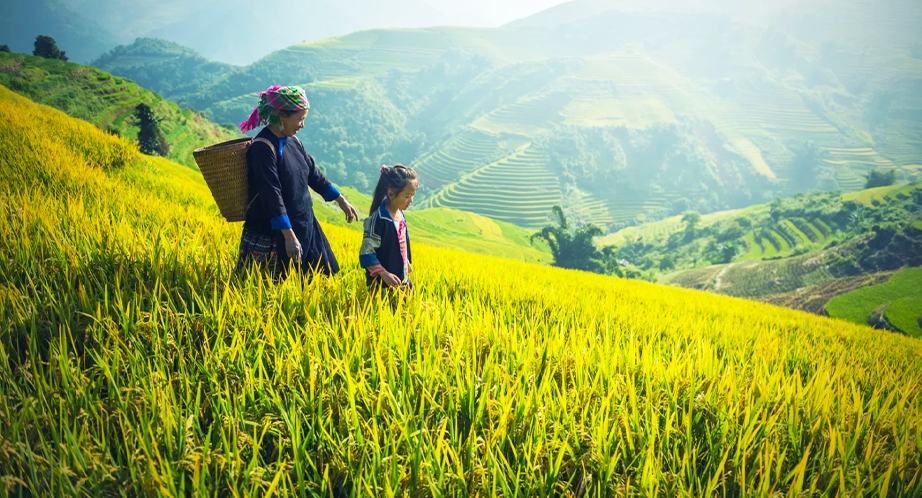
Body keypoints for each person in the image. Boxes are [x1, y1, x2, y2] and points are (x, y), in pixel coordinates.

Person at [235, 85, 358, 278]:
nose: (302, 125)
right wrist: (288, 236)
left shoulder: (293, 141)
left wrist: (341, 200)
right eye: (300, 119)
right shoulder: (263, 148)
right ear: (282, 116)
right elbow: (271, 194)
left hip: (305, 224)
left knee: (321, 279)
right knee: (273, 286)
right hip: (276, 232)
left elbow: (313, 174)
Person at [359, 164, 418, 290]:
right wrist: (384, 274)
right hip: (382, 285)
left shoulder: (400, 214)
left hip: (400, 280)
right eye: (407, 196)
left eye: (412, 195)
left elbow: (400, 243)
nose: (411, 200)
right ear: (391, 193)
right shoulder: (378, 219)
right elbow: (367, 252)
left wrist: (405, 262)